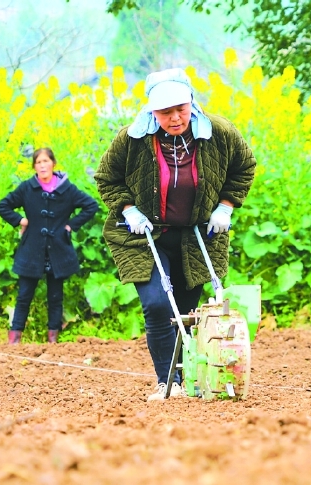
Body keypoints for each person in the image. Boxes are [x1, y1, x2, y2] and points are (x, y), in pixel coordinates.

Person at [94, 68, 256, 400]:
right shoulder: (132, 139)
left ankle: (187, 379)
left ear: (191, 103)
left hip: (197, 235)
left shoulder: (220, 133)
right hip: (143, 236)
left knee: (187, 310)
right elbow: (107, 177)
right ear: (152, 112)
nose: (174, 118)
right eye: (165, 112)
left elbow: (244, 166)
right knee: (157, 304)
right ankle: (165, 383)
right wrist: (128, 210)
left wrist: (225, 206)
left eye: (180, 109)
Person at [0, 147, 98, 344]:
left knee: (55, 295)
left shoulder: (66, 189)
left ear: (53, 163)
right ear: (34, 166)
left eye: (46, 161)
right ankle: (15, 337)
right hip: (32, 249)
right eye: (38, 162)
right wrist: (20, 221)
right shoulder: (27, 187)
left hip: (58, 249)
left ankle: (53, 338)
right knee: (24, 294)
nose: (42, 166)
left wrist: (70, 226)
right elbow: (3, 206)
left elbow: (91, 205)